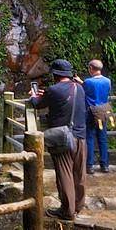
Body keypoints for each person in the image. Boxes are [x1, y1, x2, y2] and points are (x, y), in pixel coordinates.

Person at [30, 59, 87, 221]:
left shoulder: (53, 90)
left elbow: (38, 104)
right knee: (79, 173)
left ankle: (67, 211)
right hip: (81, 137)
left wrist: (34, 96)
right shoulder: (80, 88)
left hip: (63, 138)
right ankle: (78, 205)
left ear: (55, 74)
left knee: (65, 174)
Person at [83, 59, 111, 173]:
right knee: (102, 138)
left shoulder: (87, 82)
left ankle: (90, 166)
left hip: (91, 112)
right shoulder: (107, 81)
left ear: (91, 68)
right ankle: (104, 165)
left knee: (89, 138)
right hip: (103, 112)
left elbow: (85, 91)